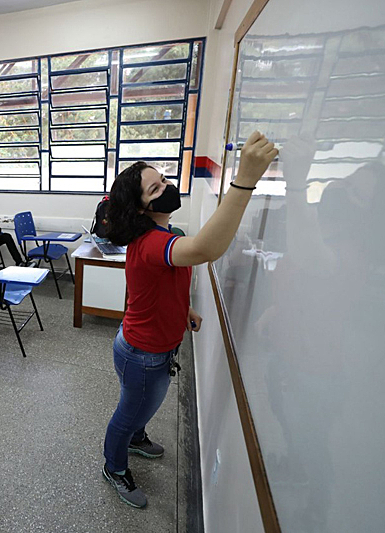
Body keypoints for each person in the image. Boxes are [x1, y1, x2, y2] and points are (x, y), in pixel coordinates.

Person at [100, 131, 277, 508]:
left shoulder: (166, 233)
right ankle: (114, 466)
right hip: (143, 355)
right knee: (128, 412)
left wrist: (185, 310)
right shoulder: (151, 243)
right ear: (142, 208)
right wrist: (244, 179)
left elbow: (153, 288)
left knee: (137, 406)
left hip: (141, 345)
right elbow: (206, 249)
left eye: (163, 179)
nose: (166, 186)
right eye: (155, 188)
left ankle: (135, 437)